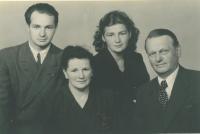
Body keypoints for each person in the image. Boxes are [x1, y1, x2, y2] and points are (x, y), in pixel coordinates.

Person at [0, 3, 62, 134]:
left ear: (55, 28)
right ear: (27, 27)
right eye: (36, 27)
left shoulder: (64, 58)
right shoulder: (6, 57)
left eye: (48, 27)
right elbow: (2, 108)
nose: (42, 33)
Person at [92, 10, 149, 131]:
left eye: (122, 33)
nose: (117, 40)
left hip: (137, 124)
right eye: (111, 35)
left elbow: (145, 93)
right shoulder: (94, 63)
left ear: (129, 34)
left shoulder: (136, 59)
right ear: (103, 37)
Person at [134, 28, 200, 133]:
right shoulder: (143, 92)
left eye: (163, 51)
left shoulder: (197, 81)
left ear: (178, 51)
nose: (158, 59)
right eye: (152, 54)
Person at [46, 46, 116, 134]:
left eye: (85, 69)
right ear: (65, 73)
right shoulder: (52, 100)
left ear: (92, 71)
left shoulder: (107, 98)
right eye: (74, 70)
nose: (81, 76)